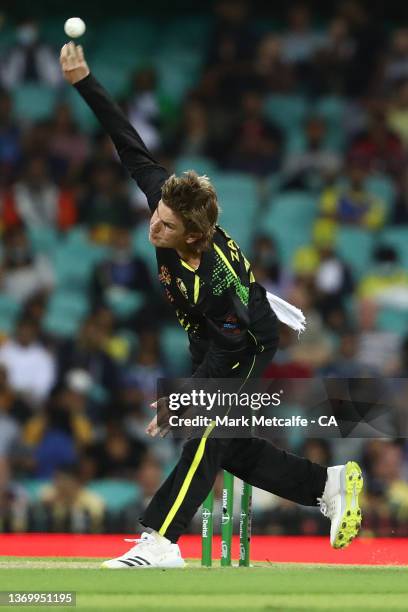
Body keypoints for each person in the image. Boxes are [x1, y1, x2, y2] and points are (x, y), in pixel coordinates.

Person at [60, 42, 364, 569]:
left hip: (245, 339)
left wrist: (185, 398)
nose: (154, 226)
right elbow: (128, 143)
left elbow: (226, 353)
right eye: (157, 213)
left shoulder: (214, 282)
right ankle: (328, 485)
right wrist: (85, 81)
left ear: (195, 238)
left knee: (205, 427)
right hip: (219, 330)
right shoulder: (168, 200)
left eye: (168, 228)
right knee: (232, 444)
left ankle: (161, 540)